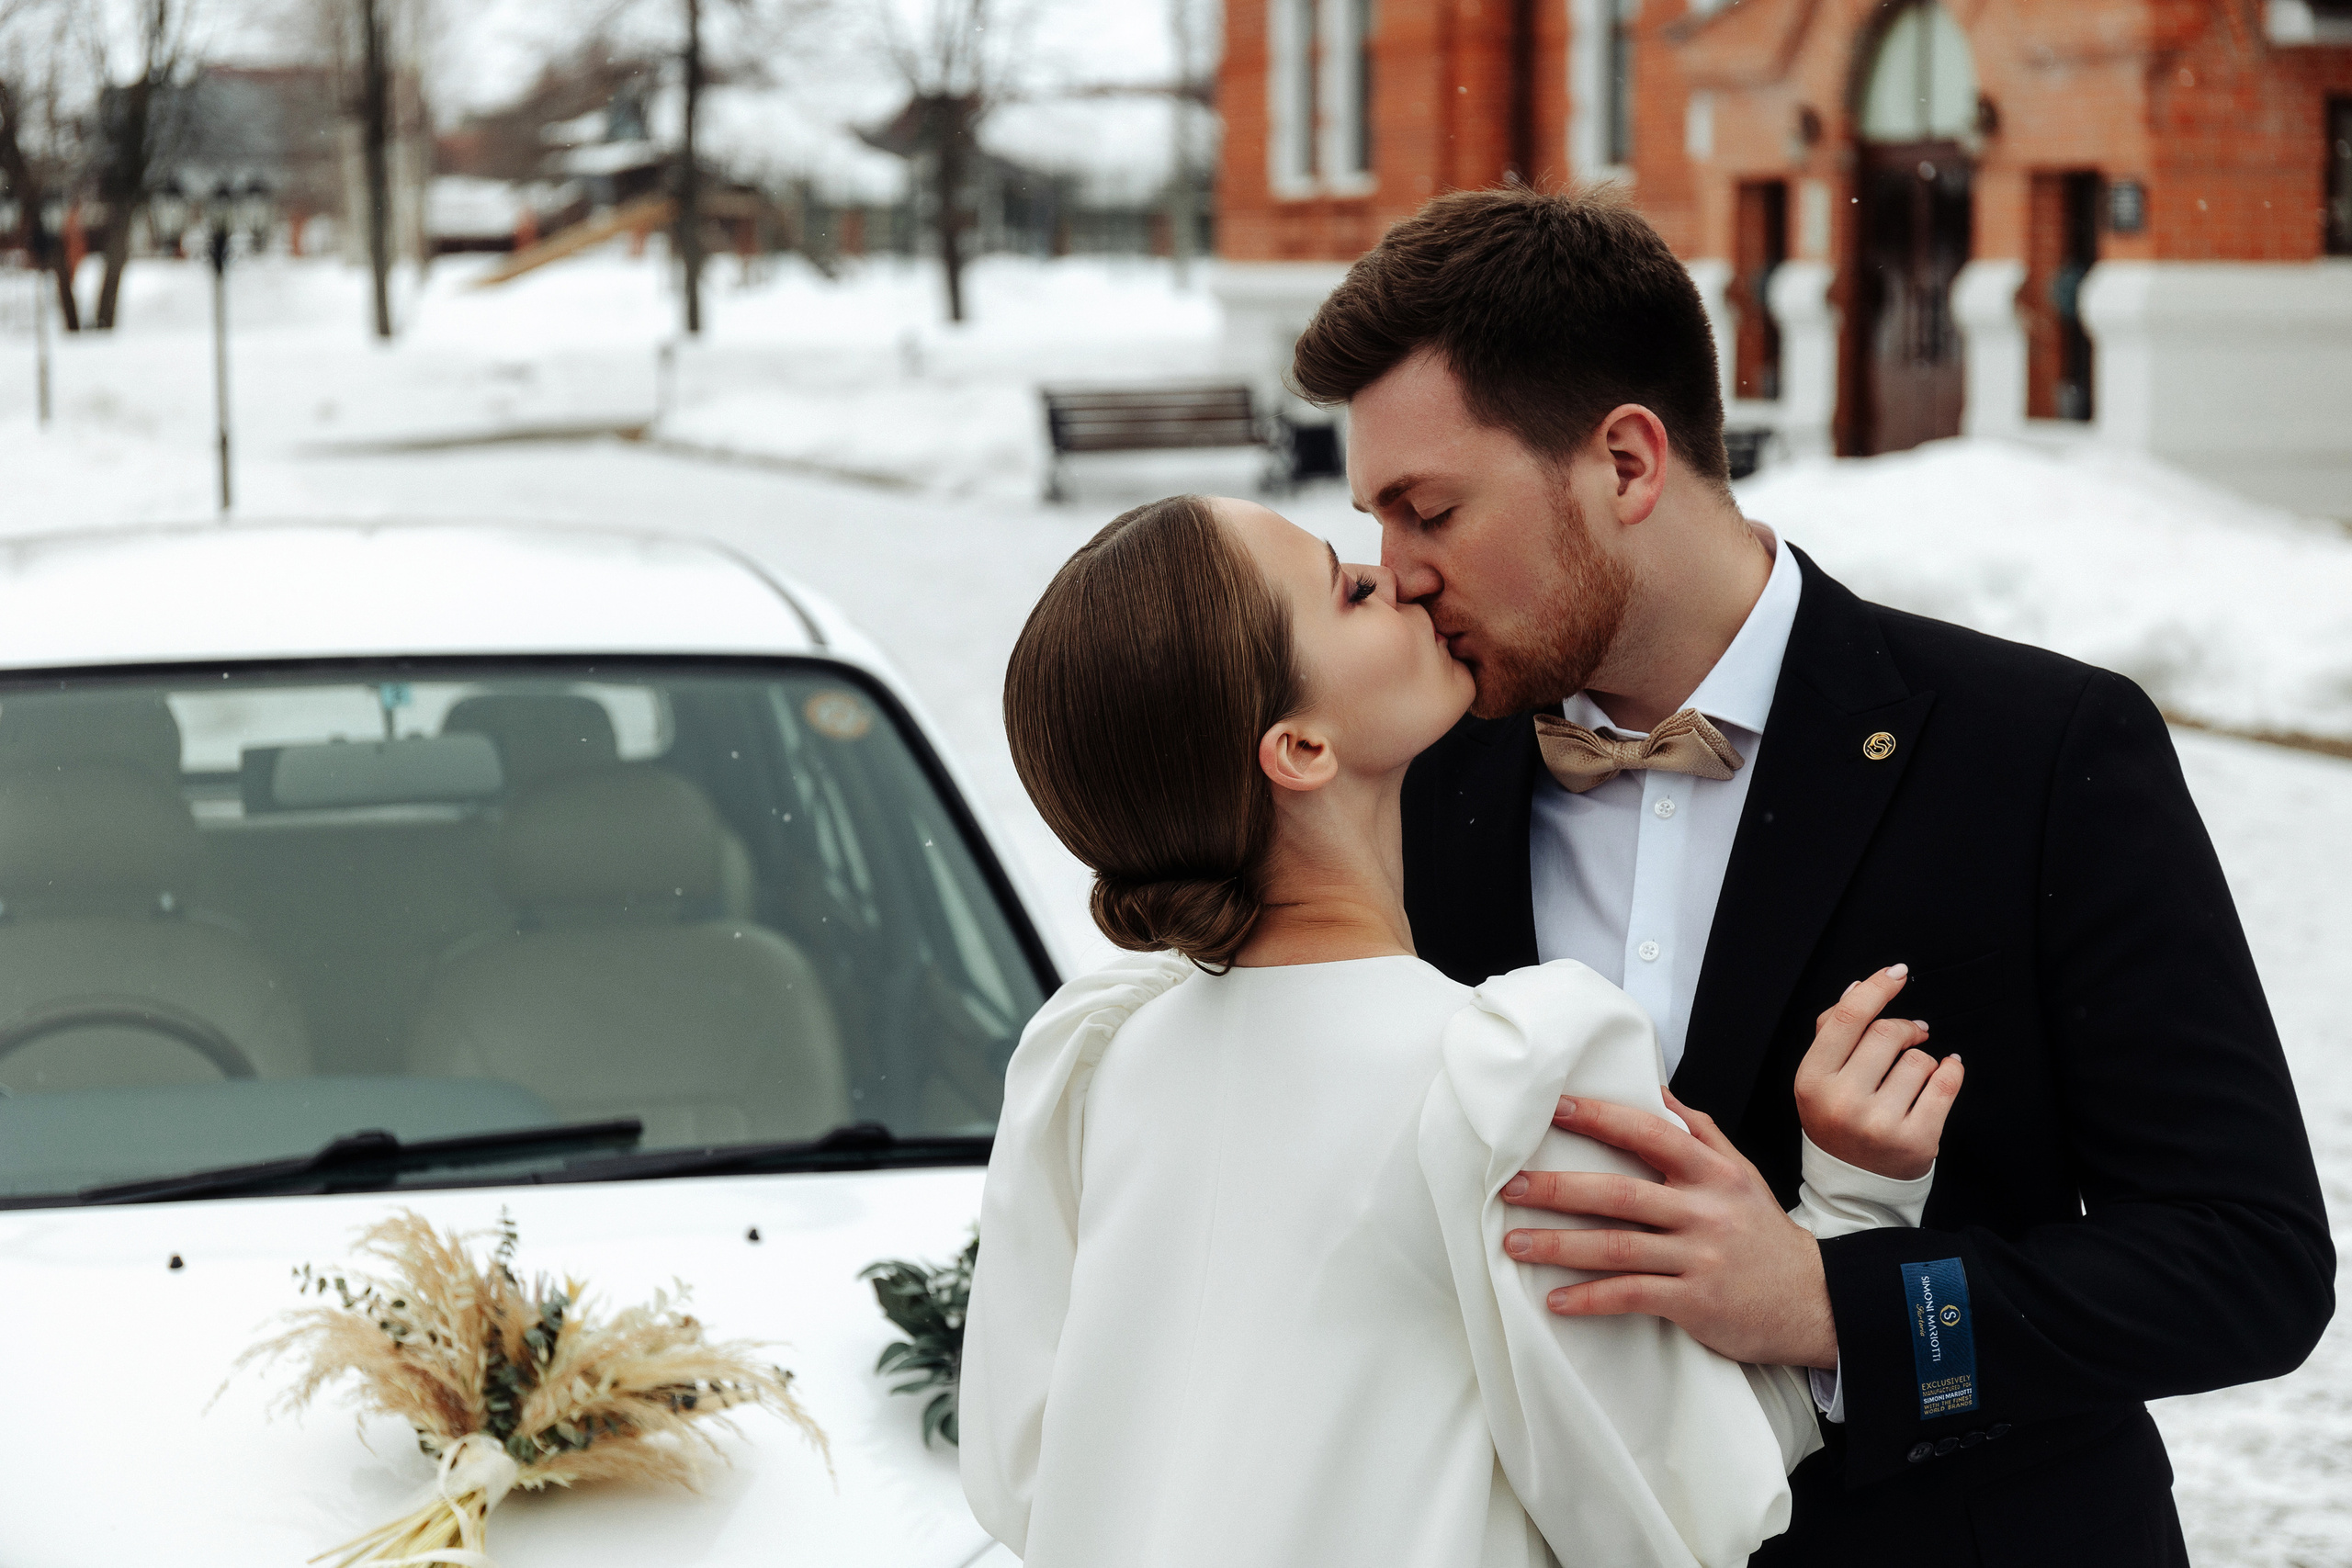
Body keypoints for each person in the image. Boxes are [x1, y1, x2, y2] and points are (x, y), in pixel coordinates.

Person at [1286, 184, 2335, 1565]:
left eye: (1428, 510)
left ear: (1626, 461)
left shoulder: (2038, 749)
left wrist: (1834, 1304)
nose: (1399, 574)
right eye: (1375, 522)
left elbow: (2245, 1260)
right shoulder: (1411, 781)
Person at [960, 494, 1967, 1567]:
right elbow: (1677, 1500)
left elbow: (1024, 1470)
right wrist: (1854, 1205)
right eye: (1347, 589)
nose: (1395, 578)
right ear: (1299, 747)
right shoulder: (1503, 1077)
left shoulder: (1099, 1058)